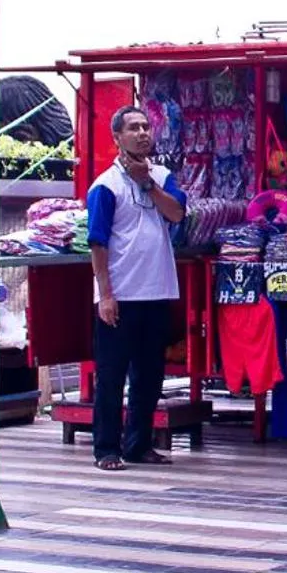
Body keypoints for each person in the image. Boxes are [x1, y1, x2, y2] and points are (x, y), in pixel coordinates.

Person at [86, 105, 187, 472]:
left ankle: (138, 443)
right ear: (117, 137)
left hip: (156, 290)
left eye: (146, 126)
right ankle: (106, 448)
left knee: (149, 374)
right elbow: (98, 242)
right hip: (121, 294)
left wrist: (147, 183)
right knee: (112, 375)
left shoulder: (162, 175)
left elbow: (176, 213)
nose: (143, 133)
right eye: (133, 128)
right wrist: (106, 294)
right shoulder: (105, 186)